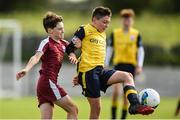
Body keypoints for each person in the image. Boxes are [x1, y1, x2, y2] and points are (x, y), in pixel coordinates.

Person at [66, 6, 153, 119]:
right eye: (104, 22)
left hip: (100, 71)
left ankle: (135, 105)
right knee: (96, 110)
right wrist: (73, 56)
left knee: (127, 76)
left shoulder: (103, 33)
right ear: (94, 20)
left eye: (108, 22)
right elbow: (69, 47)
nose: (107, 25)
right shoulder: (84, 29)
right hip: (88, 73)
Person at [16, 11, 78, 119]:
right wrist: (26, 69)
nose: (63, 30)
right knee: (73, 109)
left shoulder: (64, 43)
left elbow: (71, 49)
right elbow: (36, 57)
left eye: (63, 27)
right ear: (50, 30)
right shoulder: (46, 42)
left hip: (44, 85)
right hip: (48, 83)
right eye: (59, 29)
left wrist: (73, 55)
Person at [105, 9, 145, 119]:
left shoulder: (136, 34)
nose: (127, 21)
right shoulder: (115, 33)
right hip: (118, 65)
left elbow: (140, 50)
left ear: (132, 20)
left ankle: (123, 118)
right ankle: (113, 117)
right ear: (121, 20)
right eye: (125, 18)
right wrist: (105, 62)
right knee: (115, 93)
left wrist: (139, 65)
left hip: (130, 66)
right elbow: (110, 49)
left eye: (129, 19)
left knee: (126, 96)